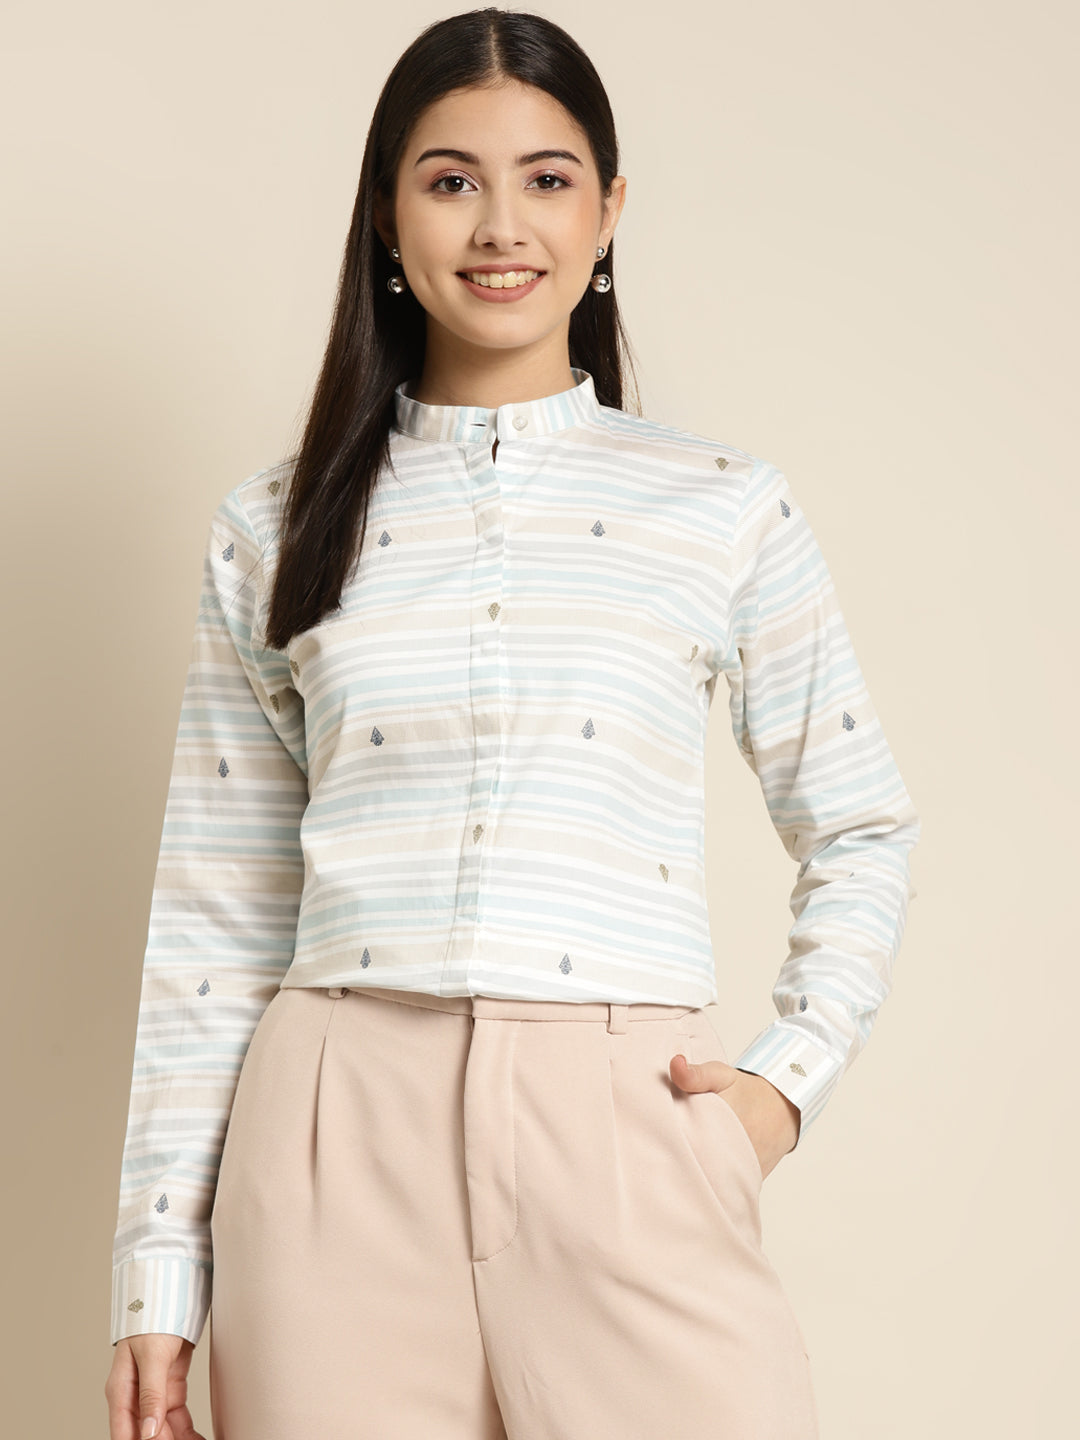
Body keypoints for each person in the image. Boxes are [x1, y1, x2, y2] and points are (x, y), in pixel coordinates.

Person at [104, 8, 920, 1439]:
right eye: (450, 179)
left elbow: (860, 826)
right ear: (386, 215)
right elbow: (217, 922)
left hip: (626, 1127)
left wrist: (778, 1094)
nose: (501, 224)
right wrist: (160, 1278)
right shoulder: (274, 527)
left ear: (609, 211)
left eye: (547, 178)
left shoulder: (721, 507)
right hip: (332, 1149)